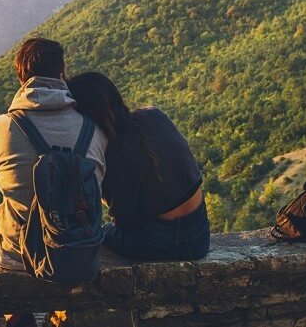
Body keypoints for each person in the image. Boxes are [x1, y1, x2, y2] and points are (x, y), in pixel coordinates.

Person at [0, 38, 108, 271]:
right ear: (62, 73)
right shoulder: (94, 130)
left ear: (21, 77)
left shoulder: (2, 127)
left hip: (17, 253)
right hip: (78, 252)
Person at [67, 72, 210, 261]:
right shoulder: (153, 115)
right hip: (200, 236)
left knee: (104, 233)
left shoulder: (113, 151)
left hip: (156, 242)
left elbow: (124, 222)